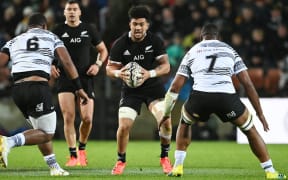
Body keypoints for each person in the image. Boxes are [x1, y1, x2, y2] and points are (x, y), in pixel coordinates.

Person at [160, 23, 286, 179]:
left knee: (185, 122)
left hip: (200, 98)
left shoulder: (192, 51)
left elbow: (175, 86)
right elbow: (247, 83)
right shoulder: (229, 50)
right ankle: (270, 172)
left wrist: (166, 113)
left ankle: (178, 167)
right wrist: (259, 113)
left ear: (201, 37)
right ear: (218, 37)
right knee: (249, 129)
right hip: (226, 97)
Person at [0, 13, 89, 176]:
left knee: (40, 131)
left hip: (18, 91)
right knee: (47, 133)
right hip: (37, 87)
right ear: (45, 26)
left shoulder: (14, 40)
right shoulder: (51, 37)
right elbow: (67, 61)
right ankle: (8, 141)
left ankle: (54, 167)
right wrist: (79, 87)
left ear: (28, 28)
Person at [106, 5, 172, 175]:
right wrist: (118, 73)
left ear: (147, 25)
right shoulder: (120, 44)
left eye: (141, 24)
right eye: (135, 24)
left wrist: (148, 74)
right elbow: (108, 69)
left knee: (165, 122)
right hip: (131, 91)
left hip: (153, 89)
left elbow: (166, 66)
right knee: (124, 127)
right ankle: (121, 160)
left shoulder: (155, 41)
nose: (137, 27)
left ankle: (164, 157)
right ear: (130, 24)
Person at [51, 0, 108, 167]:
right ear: (64, 12)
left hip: (85, 78)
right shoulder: (58, 30)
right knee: (68, 117)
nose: (71, 12)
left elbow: (103, 50)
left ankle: (82, 148)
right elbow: (48, 51)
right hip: (64, 79)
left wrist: (97, 65)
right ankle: (73, 155)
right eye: (69, 9)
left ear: (80, 12)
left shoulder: (89, 29)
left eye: (75, 9)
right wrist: (52, 65)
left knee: (87, 118)